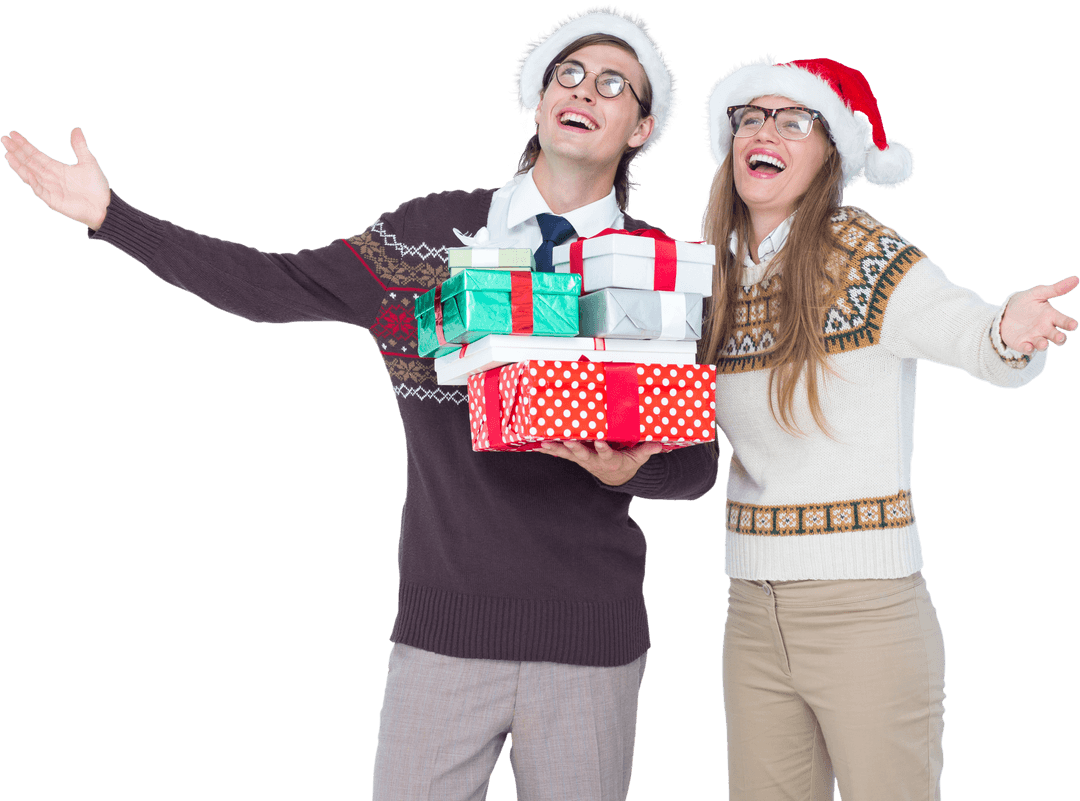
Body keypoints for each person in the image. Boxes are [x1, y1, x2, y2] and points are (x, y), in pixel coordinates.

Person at [1, 7, 718, 800]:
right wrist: (115, 219)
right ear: (538, 99)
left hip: (590, 642)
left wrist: (624, 469)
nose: (583, 90)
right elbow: (277, 285)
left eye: (614, 84)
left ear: (643, 127)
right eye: (568, 74)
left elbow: (694, 465)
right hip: (444, 635)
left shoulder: (659, 272)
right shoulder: (427, 238)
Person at [697, 55, 1077, 800]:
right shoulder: (711, 273)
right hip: (750, 610)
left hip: (862, 609)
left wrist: (1008, 329)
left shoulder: (865, 254)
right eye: (751, 116)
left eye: (793, 118)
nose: (765, 131)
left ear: (831, 150)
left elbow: (965, 331)